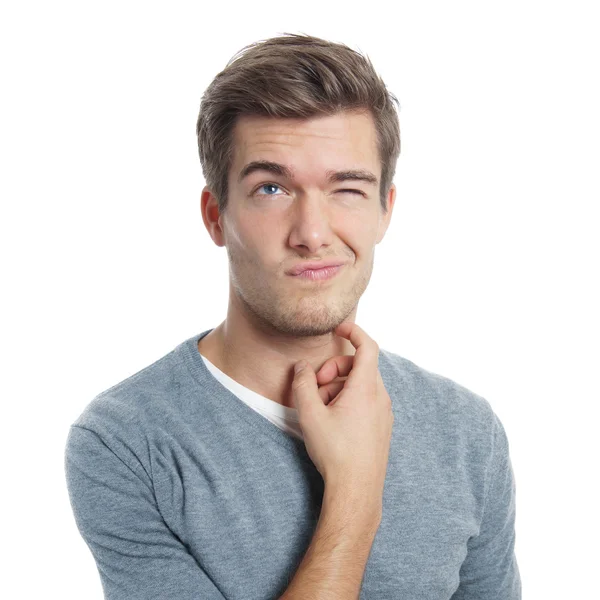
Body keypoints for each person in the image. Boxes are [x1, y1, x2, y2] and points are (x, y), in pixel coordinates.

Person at [64, 33, 521, 599]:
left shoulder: (466, 432)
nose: (311, 233)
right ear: (215, 215)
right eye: (272, 188)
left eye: (347, 189)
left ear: (385, 212)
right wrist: (354, 495)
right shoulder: (129, 442)